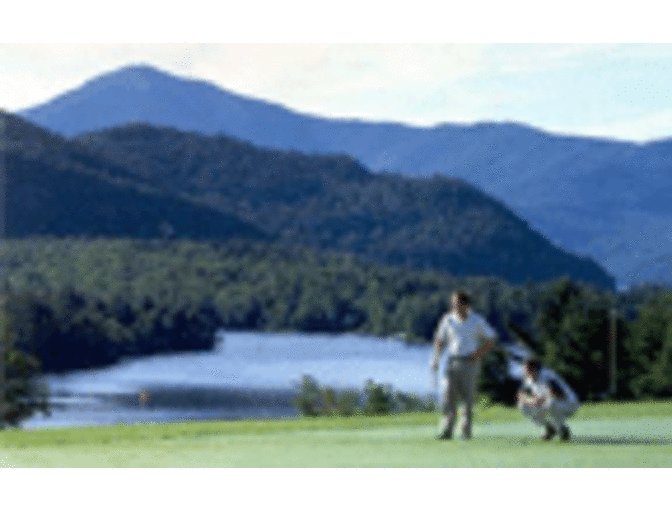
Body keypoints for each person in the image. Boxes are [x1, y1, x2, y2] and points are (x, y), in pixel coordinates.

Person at [430, 290, 497, 440]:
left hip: (470, 362)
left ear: (465, 304)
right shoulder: (448, 319)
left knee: (467, 398)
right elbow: (439, 340)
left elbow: (491, 339)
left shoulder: (476, 320)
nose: (454, 307)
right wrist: (435, 358)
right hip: (452, 361)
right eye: (453, 304)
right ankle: (447, 429)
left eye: (457, 304)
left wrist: (478, 353)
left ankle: (465, 431)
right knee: (447, 396)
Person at [516, 357, 580, 441]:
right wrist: (531, 401)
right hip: (550, 403)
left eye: (526, 370)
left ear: (534, 369)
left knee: (550, 402)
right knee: (522, 405)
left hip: (568, 404)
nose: (524, 372)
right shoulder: (529, 379)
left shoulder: (547, 375)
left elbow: (560, 394)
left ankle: (561, 429)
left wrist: (539, 400)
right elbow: (521, 395)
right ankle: (549, 428)